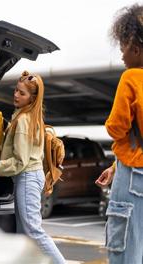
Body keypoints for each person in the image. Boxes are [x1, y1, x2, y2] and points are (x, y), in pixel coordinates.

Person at [0, 71, 66, 264]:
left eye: (22, 93)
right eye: (16, 90)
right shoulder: (27, 116)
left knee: (33, 232)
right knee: (23, 234)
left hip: (27, 178)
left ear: (32, 98)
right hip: (28, 178)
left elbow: (20, 162)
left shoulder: (24, 121)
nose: (16, 95)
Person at [95, 3, 143, 264]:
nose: (122, 54)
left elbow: (116, 127)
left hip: (133, 177)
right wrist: (114, 167)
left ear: (135, 47)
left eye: (123, 46)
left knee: (124, 249)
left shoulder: (131, 78)